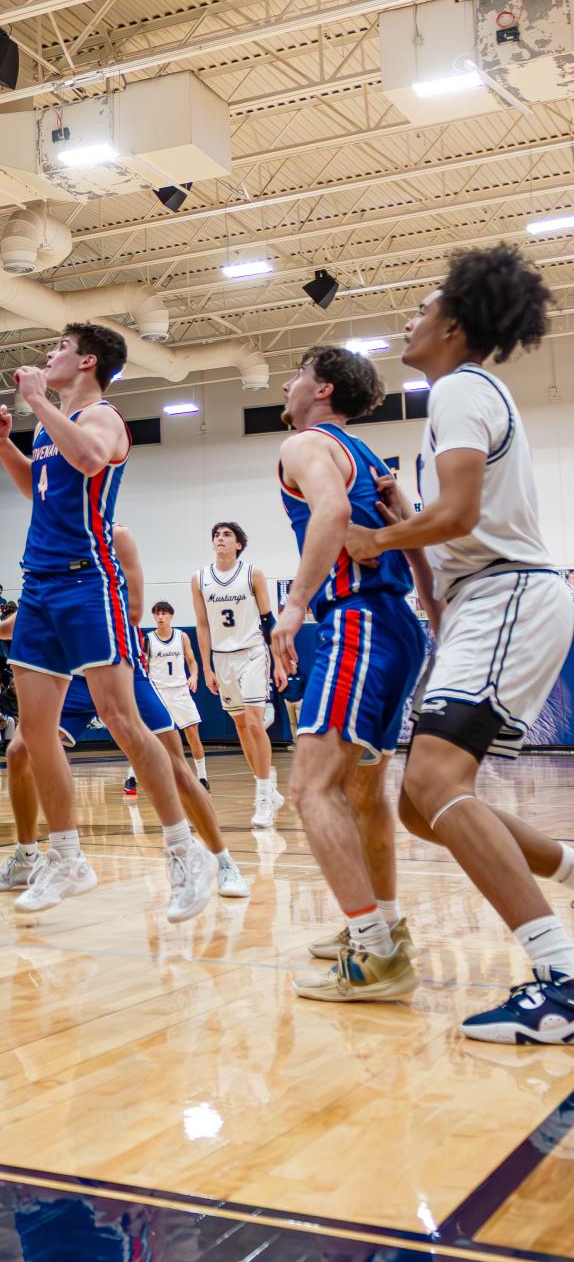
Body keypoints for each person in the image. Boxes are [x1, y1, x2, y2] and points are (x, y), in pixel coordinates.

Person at [344, 246, 574, 1043]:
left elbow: (464, 514)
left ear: (453, 325)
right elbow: (457, 518)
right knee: (421, 806)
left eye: (422, 308)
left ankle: (561, 978)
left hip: (508, 593)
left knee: (437, 779)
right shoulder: (463, 395)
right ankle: (570, 866)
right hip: (488, 599)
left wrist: (379, 537)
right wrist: (411, 516)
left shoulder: (460, 389)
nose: (410, 319)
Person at [0, 326, 214, 916]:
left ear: (87, 361)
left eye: (59, 346)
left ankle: (184, 852)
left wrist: (37, 401)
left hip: (88, 581)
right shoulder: (50, 428)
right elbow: (38, 489)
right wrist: (3, 443)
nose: (48, 354)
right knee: (34, 734)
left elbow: (89, 458)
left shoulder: (103, 417)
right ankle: (66, 858)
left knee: (121, 721)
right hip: (39, 584)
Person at [0, 523, 249, 908]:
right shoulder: (51, 538)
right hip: (72, 676)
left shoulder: (115, 537)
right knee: (19, 752)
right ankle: (26, 857)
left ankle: (222, 862)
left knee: (175, 767)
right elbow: (39, 611)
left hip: (117, 667)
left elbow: (131, 610)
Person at [271, 346, 430, 1003]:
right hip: (397, 625)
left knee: (310, 789)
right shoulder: (364, 454)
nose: (287, 382)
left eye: (297, 373)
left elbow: (333, 515)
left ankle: (373, 955)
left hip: (358, 621)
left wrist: (294, 605)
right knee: (365, 793)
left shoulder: (306, 444)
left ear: (322, 389)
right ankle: (383, 926)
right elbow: (409, 531)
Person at [192, 522, 285, 827]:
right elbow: (202, 625)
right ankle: (268, 790)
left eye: (226, 535)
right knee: (242, 726)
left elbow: (269, 620)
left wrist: (278, 661)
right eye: (216, 535)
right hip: (222, 658)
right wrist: (206, 667)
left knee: (255, 722)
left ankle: (262, 798)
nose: (220, 538)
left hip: (253, 651)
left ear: (239, 544)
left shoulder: (252, 574)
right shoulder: (199, 578)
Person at [144, 601, 208, 785]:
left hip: (180, 690)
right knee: (147, 736)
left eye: (163, 613)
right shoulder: (148, 639)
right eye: (157, 614)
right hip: (159, 692)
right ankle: (132, 777)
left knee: (193, 732)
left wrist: (194, 676)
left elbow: (192, 661)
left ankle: (203, 778)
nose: (160, 617)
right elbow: (143, 666)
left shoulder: (182, 637)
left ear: (171, 616)